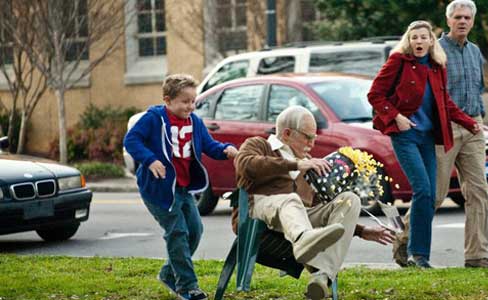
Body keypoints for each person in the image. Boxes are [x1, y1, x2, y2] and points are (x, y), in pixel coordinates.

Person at [233, 105, 394, 299]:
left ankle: (321, 277)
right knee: (291, 199)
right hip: (259, 215)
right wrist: (296, 164)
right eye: (307, 137)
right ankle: (303, 239)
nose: (311, 144)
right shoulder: (259, 145)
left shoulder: (309, 163)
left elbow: (319, 207)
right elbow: (245, 165)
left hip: (298, 220)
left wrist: (360, 231)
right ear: (286, 133)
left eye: (314, 138)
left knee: (350, 200)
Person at [368, 20, 479, 269]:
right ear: (409, 41)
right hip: (405, 135)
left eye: (423, 37)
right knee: (423, 190)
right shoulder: (398, 61)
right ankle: (415, 254)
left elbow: (444, 102)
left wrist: (468, 122)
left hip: (428, 137)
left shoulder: (437, 67)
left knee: (429, 198)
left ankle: (419, 256)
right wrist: (397, 117)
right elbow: (375, 94)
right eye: (414, 37)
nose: (419, 41)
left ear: (431, 41)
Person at [124, 74, 238, 300]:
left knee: (195, 230)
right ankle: (188, 287)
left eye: (193, 101)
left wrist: (226, 149)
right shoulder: (153, 119)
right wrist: (150, 160)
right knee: (177, 232)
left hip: (184, 188)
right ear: (167, 100)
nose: (190, 106)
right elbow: (131, 140)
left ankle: (168, 273)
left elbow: (209, 145)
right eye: (185, 101)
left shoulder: (194, 121)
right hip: (159, 190)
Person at [435, 0, 488, 269]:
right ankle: (406, 244)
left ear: (472, 21)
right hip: (446, 126)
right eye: (457, 17)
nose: (462, 21)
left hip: (473, 126)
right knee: (436, 194)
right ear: (449, 20)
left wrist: (480, 117)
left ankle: (477, 255)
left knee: (478, 192)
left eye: (467, 17)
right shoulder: (436, 50)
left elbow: (477, 88)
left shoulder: (475, 52)